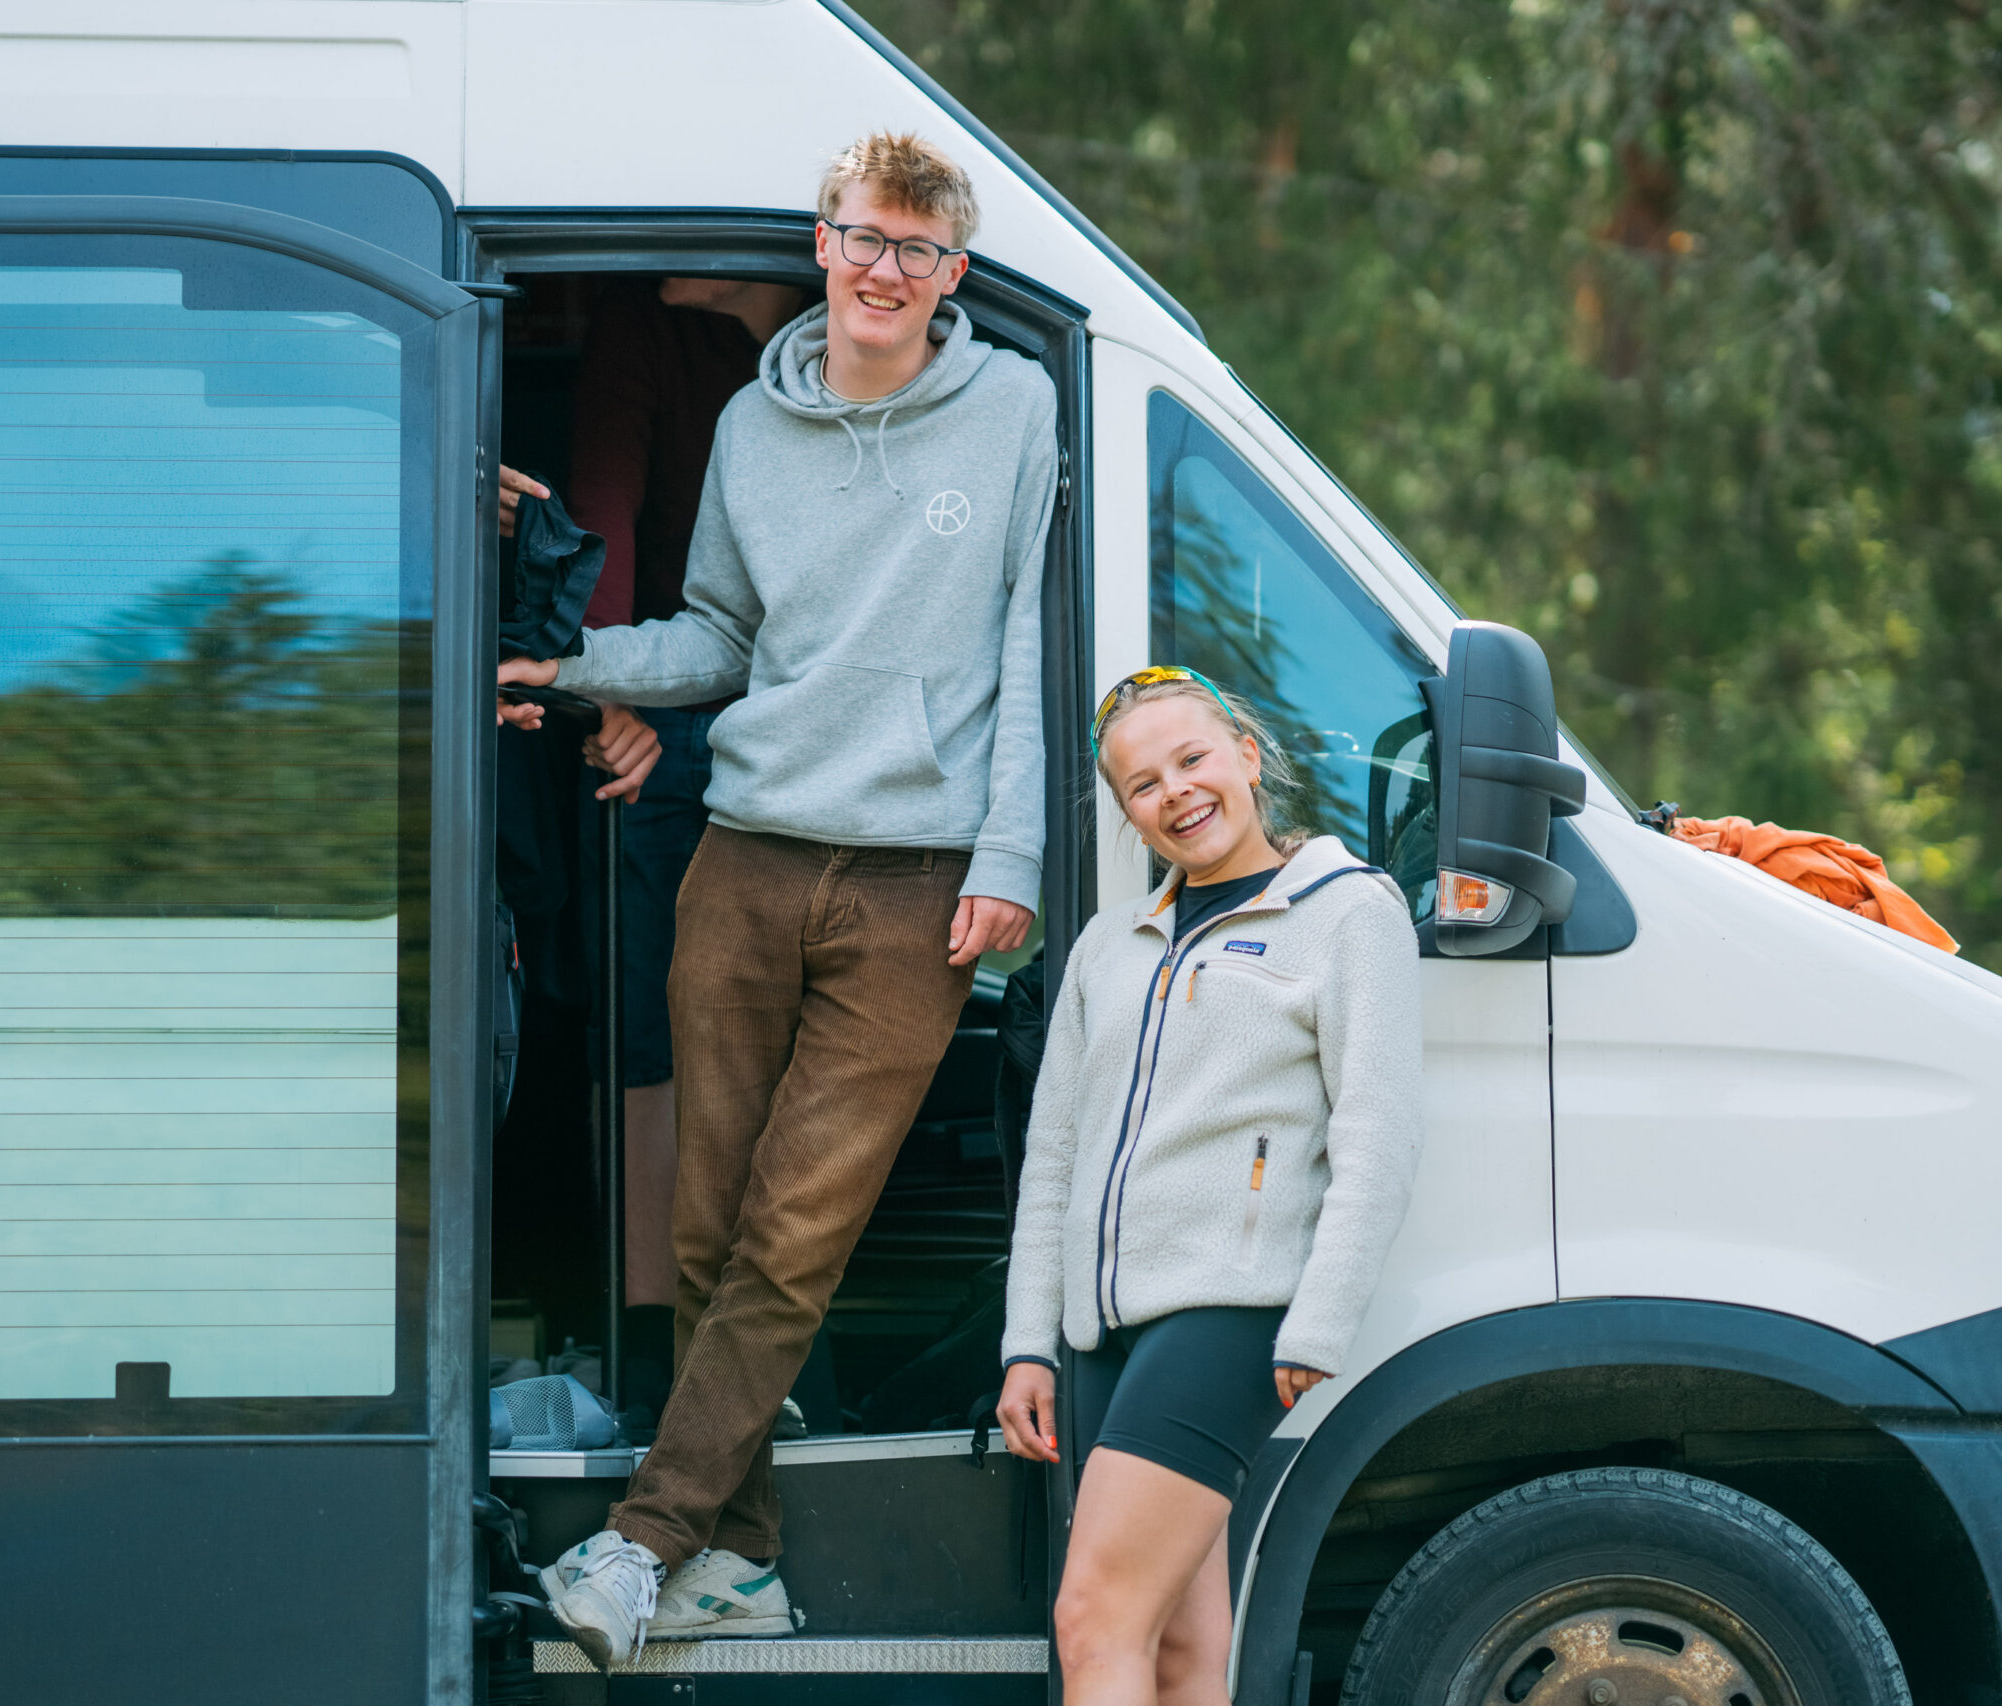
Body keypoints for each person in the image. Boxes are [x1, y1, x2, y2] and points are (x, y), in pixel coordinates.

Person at [499, 131, 1058, 1666]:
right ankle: (739, 1552)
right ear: (822, 242)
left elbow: (1027, 650)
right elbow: (717, 641)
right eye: (866, 238)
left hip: (915, 885)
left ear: (955, 276)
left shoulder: (1016, 407)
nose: (888, 273)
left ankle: (639, 1538)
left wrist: (1007, 857)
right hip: (740, 858)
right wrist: (573, 671)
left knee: (796, 1228)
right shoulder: (754, 425)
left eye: (922, 254)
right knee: (706, 1218)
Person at [996, 668, 1423, 1706]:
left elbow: (1378, 1135)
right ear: (1127, 809)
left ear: (1244, 752)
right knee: (1181, 1648)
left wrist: (1317, 1320)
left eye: (1191, 758)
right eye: (1141, 783)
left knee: (1092, 1616)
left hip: (1229, 1312)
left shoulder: (1346, 911)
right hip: (1103, 1331)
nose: (1175, 793)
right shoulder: (1107, 945)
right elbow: (1053, 1154)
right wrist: (1028, 1341)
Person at [497, 271, 809, 1419]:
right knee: (651, 1035)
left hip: (810, 717)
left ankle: (763, 1345)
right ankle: (651, 1343)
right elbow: (600, 509)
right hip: (669, 694)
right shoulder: (642, 320)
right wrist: (608, 686)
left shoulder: (850, 343)